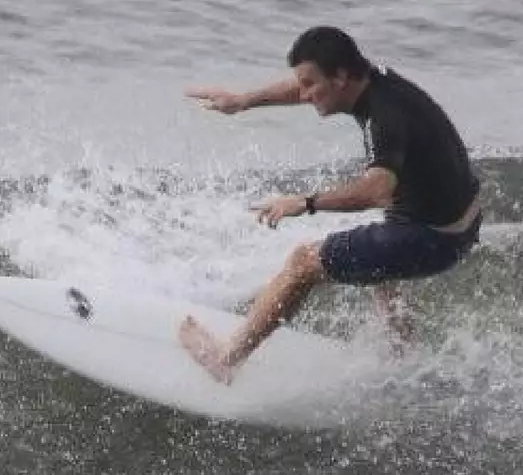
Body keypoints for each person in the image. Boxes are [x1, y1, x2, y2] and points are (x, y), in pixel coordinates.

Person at [180, 26, 483, 383]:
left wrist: (305, 202)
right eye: (302, 83)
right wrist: (243, 101)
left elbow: (376, 190)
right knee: (381, 253)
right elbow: (305, 87)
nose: (304, 94)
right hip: (457, 220)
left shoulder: (384, 117)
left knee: (304, 262)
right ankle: (402, 351)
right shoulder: (372, 81)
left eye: (310, 84)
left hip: (434, 237)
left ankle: (227, 359)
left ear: (340, 77)